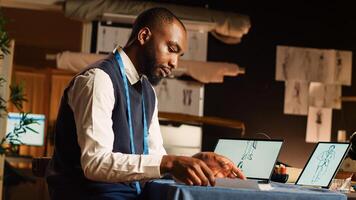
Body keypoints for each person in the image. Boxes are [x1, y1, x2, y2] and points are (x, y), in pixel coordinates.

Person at [46, 7, 245, 200]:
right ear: (143, 36)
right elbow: (96, 163)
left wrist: (195, 161)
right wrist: (170, 163)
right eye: (171, 49)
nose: (175, 63)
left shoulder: (148, 92)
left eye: (179, 55)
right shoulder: (99, 79)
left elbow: (156, 157)